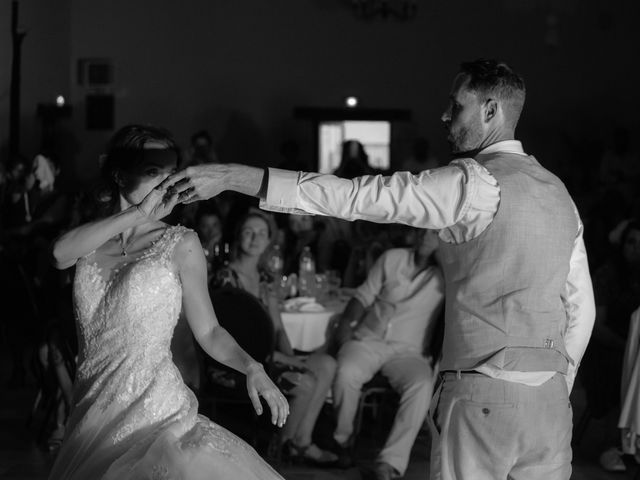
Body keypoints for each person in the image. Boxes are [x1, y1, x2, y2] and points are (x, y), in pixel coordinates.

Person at [164, 59, 596, 480]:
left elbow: (354, 198)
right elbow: (582, 310)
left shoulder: (474, 184)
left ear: (490, 111)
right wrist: (555, 378)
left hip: (483, 396)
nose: (445, 115)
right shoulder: (560, 195)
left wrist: (235, 177)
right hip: (551, 404)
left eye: (456, 104)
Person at [47, 125, 288, 480]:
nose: (164, 181)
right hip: (91, 413)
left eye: (169, 171)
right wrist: (138, 214)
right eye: (151, 170)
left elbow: (209, 331)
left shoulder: (181, 243)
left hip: (155, 412)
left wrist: (253, 367)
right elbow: (58, 254)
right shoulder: (90, 240)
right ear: (118, 173)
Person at [213, 212, 338, 465]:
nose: (255, 238)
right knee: (305, 382)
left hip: (270, 357)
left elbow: (278, 328)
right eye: (249, 231)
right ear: (238, 236)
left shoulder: (266, 281)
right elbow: (233, 339)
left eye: (261, 233)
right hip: (238, 364)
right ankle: (277, 451)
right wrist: (288, 362)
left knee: (326, 364)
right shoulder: (225, 278)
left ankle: (301, 442)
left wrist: (292, 358)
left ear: (269, 239)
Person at [332, 228, 444, 478]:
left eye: (435, 233)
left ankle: (390, 462)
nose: (426, 236)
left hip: (409, 351)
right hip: (368, 340)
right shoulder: (392, 258)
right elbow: (362, 296)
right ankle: (344, 440)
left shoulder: (445, 276)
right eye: (423, 230)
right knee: (346, 370)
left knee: (422, 384)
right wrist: (344, 328)